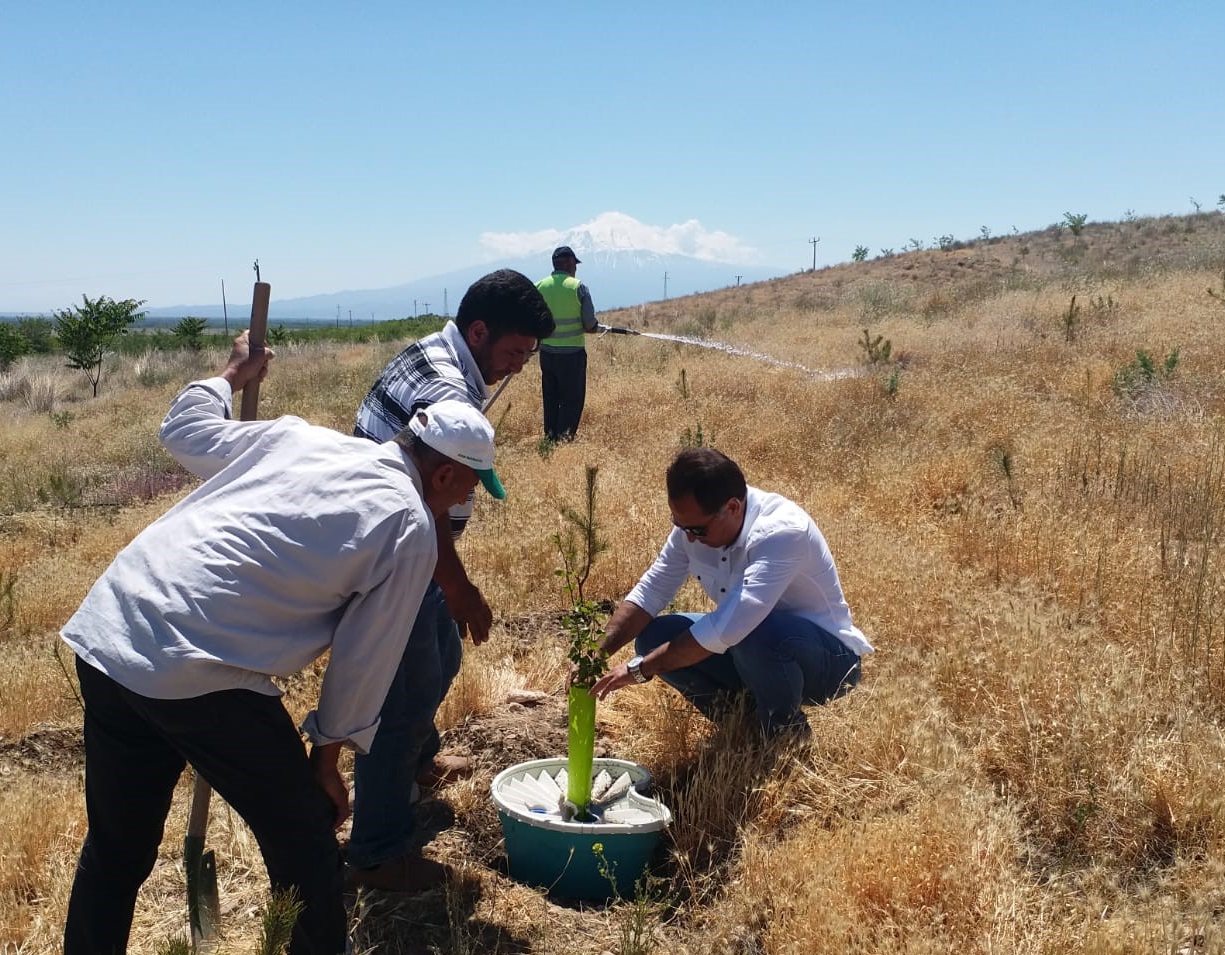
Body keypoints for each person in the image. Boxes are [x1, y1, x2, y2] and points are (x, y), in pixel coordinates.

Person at [57, 332, 506, 955]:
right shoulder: (409, 526)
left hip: (116, 627)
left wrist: (229, 376)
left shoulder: (300, 440)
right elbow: (364, 665)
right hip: (200, 664)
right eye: (475, 484)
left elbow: (186, 429)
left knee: (116, 847)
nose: (470, 499)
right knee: (302, 831)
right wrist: (326, 763)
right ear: (450, 476)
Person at [348, 269, 554, 892]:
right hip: (392, 549)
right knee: (404, 692)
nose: (518, 369)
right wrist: (459, 583)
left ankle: (419, 758)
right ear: (479, 330)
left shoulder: (437, 352)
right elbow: (426, 502)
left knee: (443, 650)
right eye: (515, 353)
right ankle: (378, 851)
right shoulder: (448, 395)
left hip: (407, 540)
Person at [590, 448, 873, 740]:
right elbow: (652, 590)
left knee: (755, 632)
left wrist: (640, 669)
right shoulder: (694, 527)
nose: (688, 537)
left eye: (697, 529)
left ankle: (784, 735)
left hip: (828, 664)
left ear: (734, 507)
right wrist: (595, 653)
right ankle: (745, 729)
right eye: (679, 525)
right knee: (653, 638)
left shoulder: (782, 532)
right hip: (752, 650)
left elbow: (732, 625)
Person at [535, 246, 600, 442]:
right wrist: (594, 327)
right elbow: (589, 324)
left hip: (546, 354)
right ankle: (564, 441)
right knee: (572, 400)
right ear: (569, 263)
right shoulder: (578, 287)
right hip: (572, 355)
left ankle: (550, 437)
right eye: (575, 264)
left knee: (551, 398)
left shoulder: (539, 286)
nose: (576, 269)